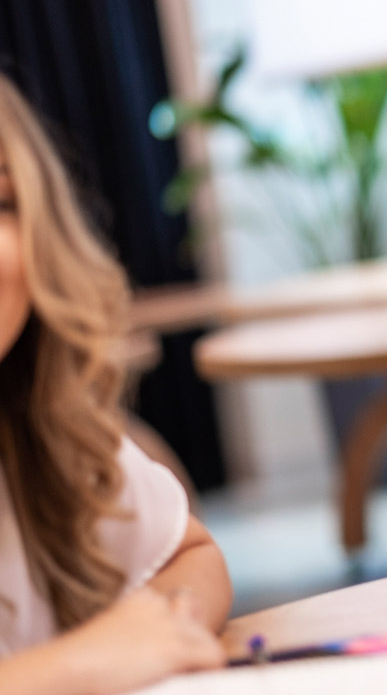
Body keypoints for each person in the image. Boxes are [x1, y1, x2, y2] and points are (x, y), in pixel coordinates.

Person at [0, 73, 231, 694]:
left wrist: (164, 630)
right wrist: (74, 665)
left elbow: (190, 555)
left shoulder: (38, 426)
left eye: (1, 203)